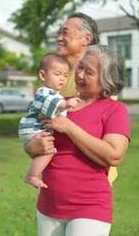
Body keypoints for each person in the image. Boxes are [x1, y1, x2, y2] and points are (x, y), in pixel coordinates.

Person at [35, 46, 130, 235]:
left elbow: (114, 155)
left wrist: (69, 127)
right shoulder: (60, 102)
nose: (79, 75)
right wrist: (32, 146)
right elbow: (34, 141)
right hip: (49, 204)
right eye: (80, 67)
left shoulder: (114, 109)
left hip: (90, 207)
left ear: (106, 81)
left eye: (89, 72)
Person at [24, 12, 119, 184]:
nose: (59, 38)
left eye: (65, 33)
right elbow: (37, 124)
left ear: (86, 39)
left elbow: (110, 147)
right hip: (55, 180)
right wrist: (31, 146)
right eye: (59, 33)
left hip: (92, 181)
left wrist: (67, 126)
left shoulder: (101, 82)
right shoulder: (55, 78)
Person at [19, 53, 81, 189]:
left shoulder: (55, 94)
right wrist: (66, 104)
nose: (62, 79)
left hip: (35, 128)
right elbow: (53, 103)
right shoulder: (44, 92)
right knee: (49, 152)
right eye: (57, 74)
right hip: (34, 128)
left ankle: (32, 174)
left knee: (48, 151)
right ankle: (32, 175)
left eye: (65, 75)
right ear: (43, 75)